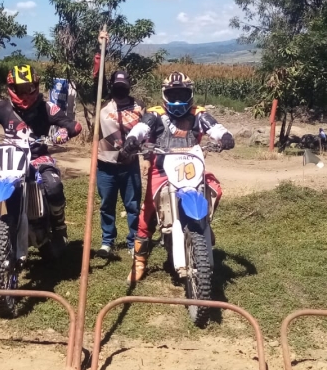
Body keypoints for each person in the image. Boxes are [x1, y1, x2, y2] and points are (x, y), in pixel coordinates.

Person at [121, 72, 235, 284]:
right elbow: (141, 127)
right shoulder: (155, 113)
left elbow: (214, 126)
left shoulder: (198, 113)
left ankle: (204, 226)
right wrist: (132, 139)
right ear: (164, 94)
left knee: (214, 189)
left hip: (192, 168)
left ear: (190, 94)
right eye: (172, 95)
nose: (177, 100)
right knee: (147, 212)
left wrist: (225, 135)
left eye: (182, 94)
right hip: (162, 169)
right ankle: (139, 262)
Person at [0, 65, 82, 256]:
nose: (26, 93)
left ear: (36, 86)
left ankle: (59, 226)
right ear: (12, 88)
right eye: (20, 88)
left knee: (53, 185)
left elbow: (73, 124)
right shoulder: (2, 107)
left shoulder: (46, 107)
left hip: (38, 158)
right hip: (11, 159)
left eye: (30, 88)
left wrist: (64, 132)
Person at [95, 70, 144, 260]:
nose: (120, 89)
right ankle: (107, 241)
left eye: (123, 86)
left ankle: (133, 242)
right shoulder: (104, 108)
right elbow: (96, 79)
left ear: (128, 87)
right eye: (117, 86)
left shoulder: (139, 108)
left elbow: (147, 134)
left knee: (132, 205)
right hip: (106, 164)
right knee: (107, 204)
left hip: (130, 166)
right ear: (112, 87)